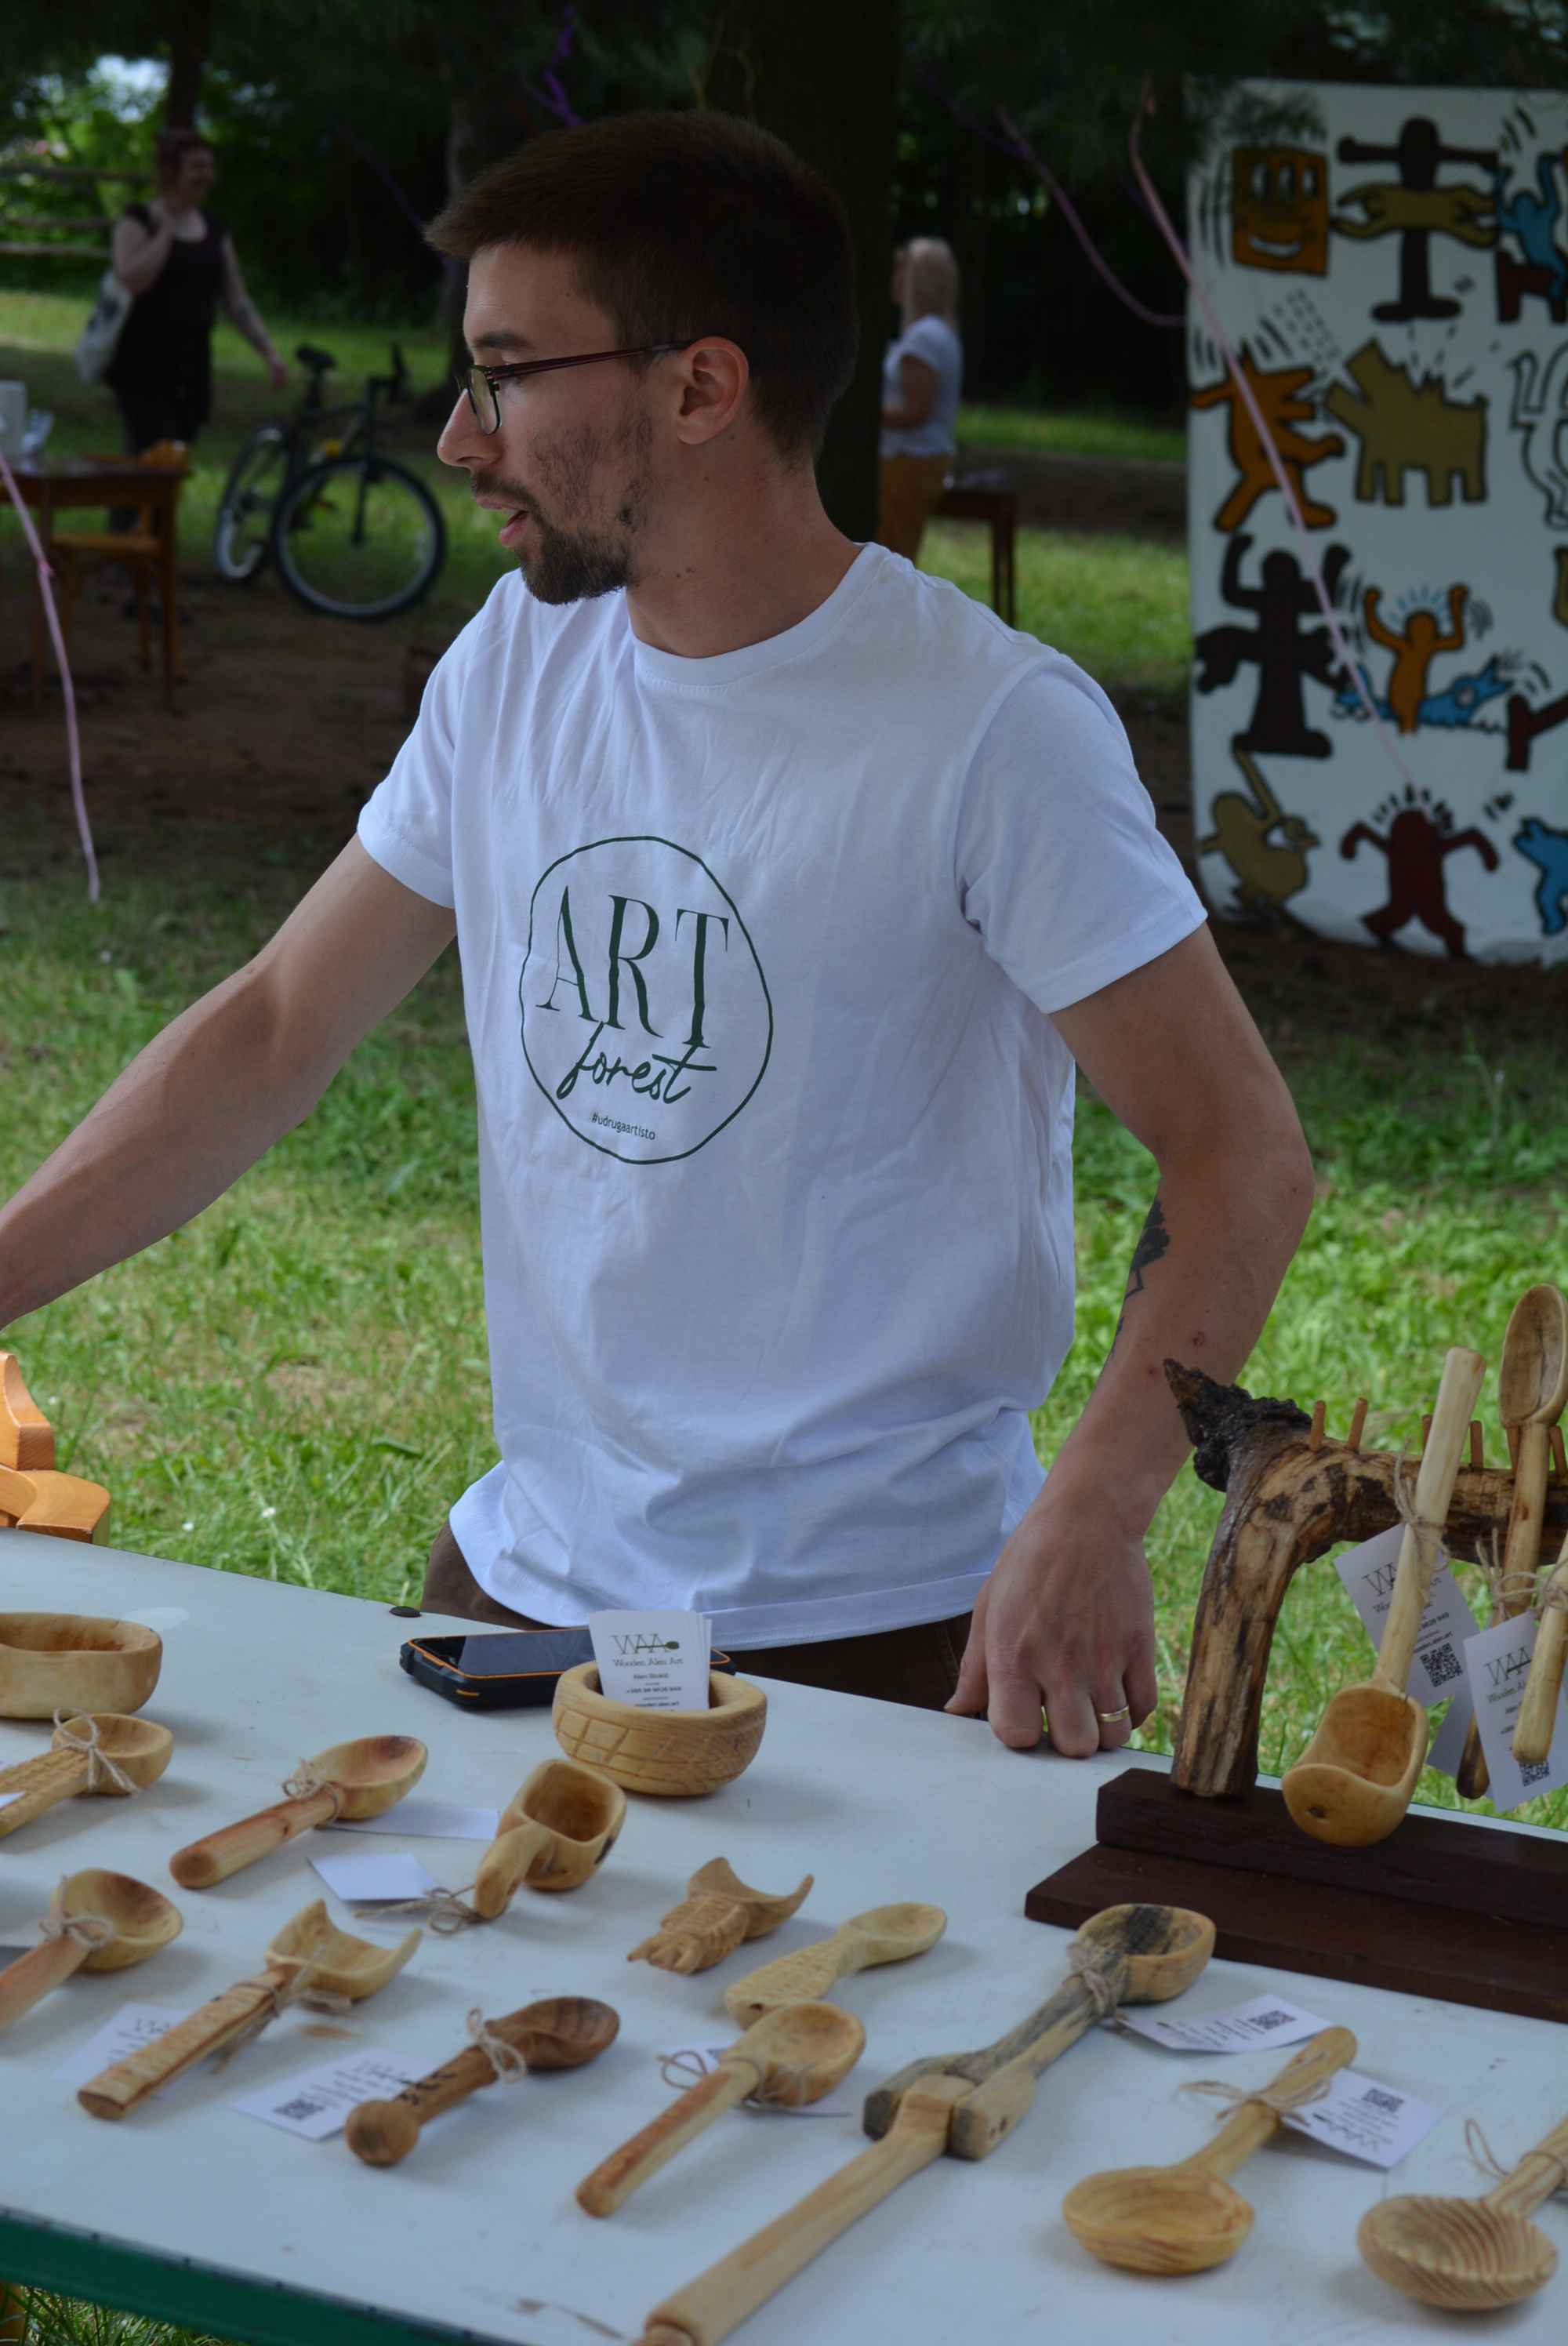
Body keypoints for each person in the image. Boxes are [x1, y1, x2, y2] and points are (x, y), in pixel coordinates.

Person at [0, 112, 1313, 1759]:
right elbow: (274, 1025)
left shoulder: (988, 729)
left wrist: (1097, 1509)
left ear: (700, 389)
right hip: (516, 1589)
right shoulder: (514, 660)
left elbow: (1241, 1154)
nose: (461, 440)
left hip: (884, 1633)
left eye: (503, 373)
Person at [105, 126, 286, 458]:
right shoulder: (138, 220)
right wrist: (166, 232)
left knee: (176, 466)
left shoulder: (214, 230)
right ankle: (129, 513)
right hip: (142, 367)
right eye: (198, 167)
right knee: (144, 467)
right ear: (172, 172)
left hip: (192, 369)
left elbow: (236, 299)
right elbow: (131, 279)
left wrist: (269, 353)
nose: (207, 176)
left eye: (209, 167)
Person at [877, 237, 963, 565]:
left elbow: (915, 411)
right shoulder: (937, 332)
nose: (894, 280)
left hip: (908, 461)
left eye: (901, 271)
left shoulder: (925, 337)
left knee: (892, 553)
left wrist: (863, 417)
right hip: (916, 460)